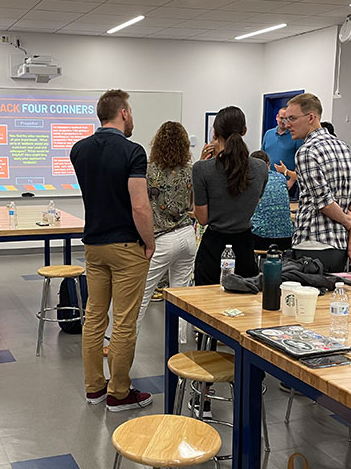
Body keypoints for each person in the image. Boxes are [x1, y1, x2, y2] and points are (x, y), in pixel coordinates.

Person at [71, 89, 155, 412]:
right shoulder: (133, 152)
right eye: (130, 110)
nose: (132, 116)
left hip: (93, 245)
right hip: (125, 247)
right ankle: (119, 392)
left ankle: (94, 388)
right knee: (123, 320)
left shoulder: (79, 150)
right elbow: (140, 206)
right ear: (122, 113)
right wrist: (149, 241)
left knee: (94, 316)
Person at [286, 93, 351, 272]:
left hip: (312, 244)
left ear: (311, 117)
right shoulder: (345, 149)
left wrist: (346, 220)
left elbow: (323, 202)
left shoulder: (306, 151)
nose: (287, 124)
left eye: (292, 118)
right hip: (339, 246)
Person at [193, 106, 268, 285]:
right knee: (244, 306)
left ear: (216, 132)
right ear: (244, 131)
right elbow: (253, 202)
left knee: (205, 304)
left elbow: (202, 219)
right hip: (245, 246)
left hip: (214, 248)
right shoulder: (260, 168)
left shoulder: (202, 169)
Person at [135, 121, 194, 330]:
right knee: (181, 296)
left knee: (141, 294)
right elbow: (191, 204)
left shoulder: (148, 171)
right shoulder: (189, 170)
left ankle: (125, 342)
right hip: (187, 234)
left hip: (162, 238)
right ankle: (180, 343)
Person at [249, 149, 294, 251]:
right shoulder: (281, 178)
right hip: (287, 238)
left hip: (260, 238)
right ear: (268, 164)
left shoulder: (250, 179)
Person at [260, 107, 304, 172]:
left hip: (286, 180)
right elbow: (262, 156)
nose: (283, 121)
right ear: (277, 117)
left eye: (286, 119)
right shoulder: (268, 134)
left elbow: (300, 162)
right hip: (268, 179)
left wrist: (290, 181)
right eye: (281, 118)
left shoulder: (295, 136)